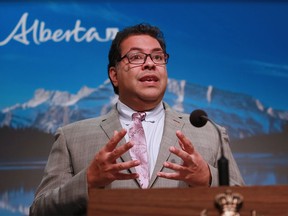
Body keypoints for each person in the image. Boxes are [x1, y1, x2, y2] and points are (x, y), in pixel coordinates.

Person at [29, 23, 244, 216]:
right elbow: (40, 210)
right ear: (114, 75)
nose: (150, 64)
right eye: (136, 57)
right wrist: (88, 180)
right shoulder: (71, 137)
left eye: (158, 57)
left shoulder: (209, 131)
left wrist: (207, 179)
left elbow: (251, 205)